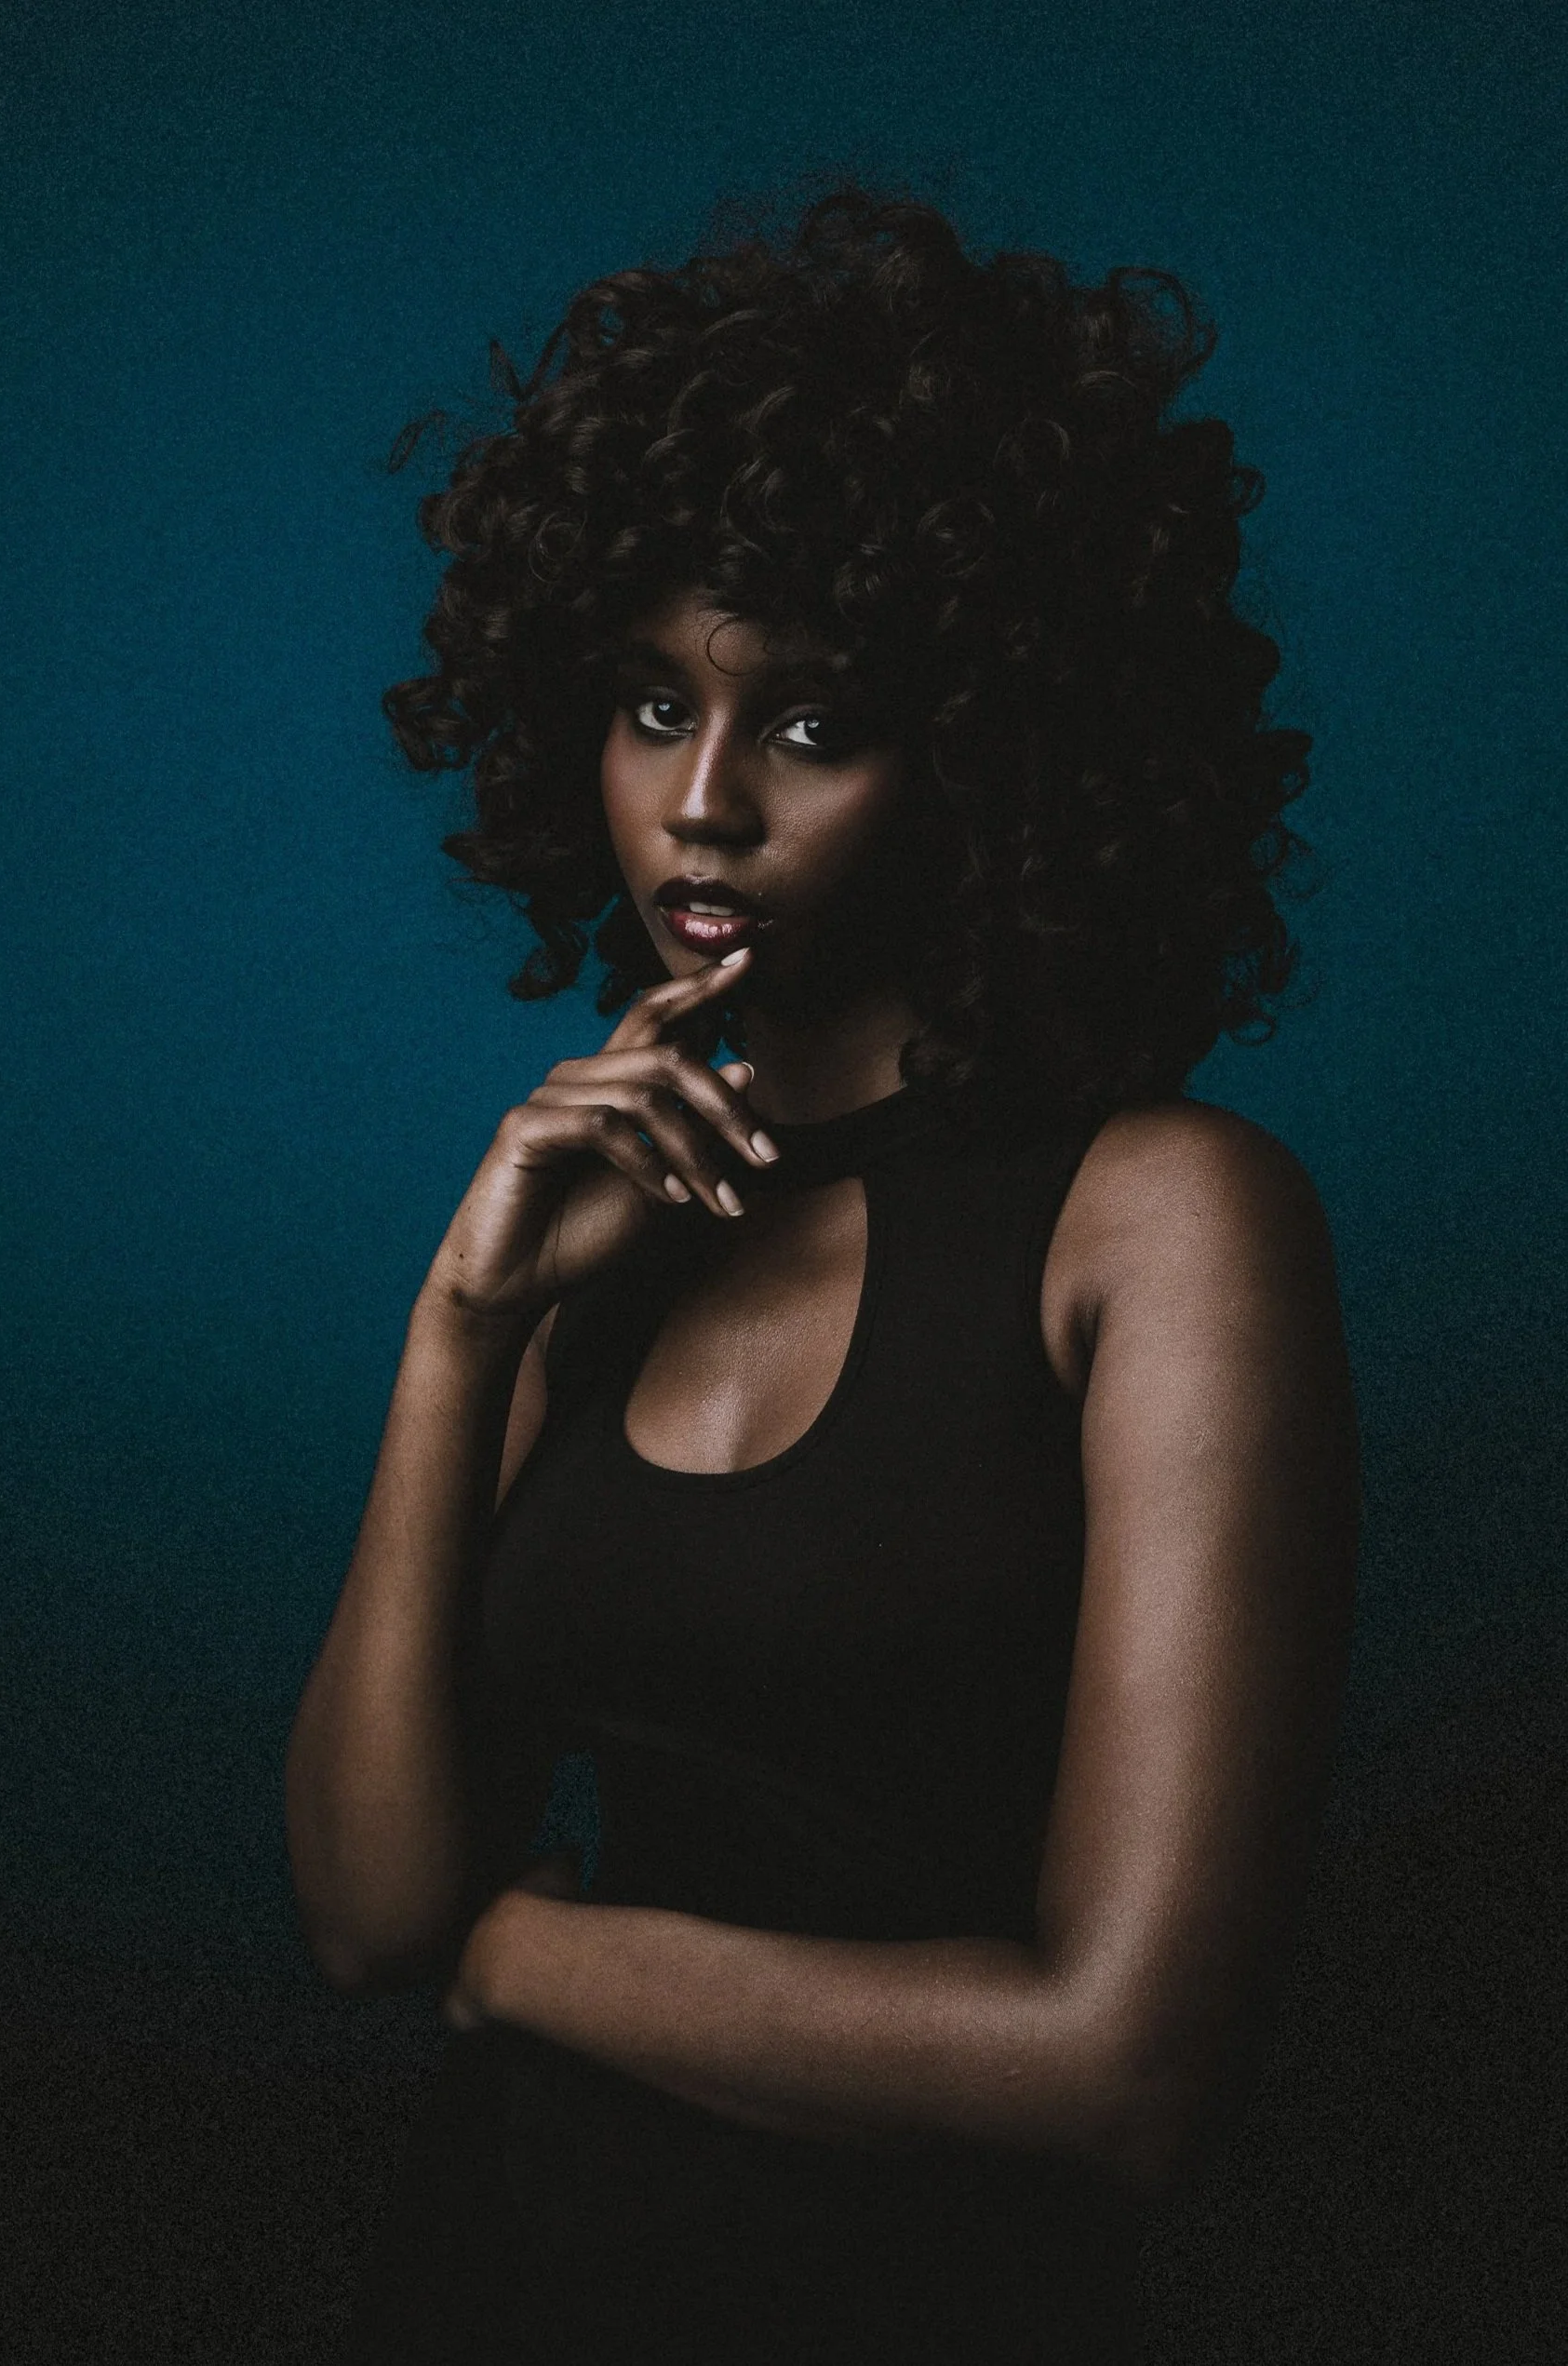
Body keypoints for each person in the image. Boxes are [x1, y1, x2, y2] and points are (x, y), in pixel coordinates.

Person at [285, 184, 1360, 2364]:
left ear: (980, 740)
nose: (697, 808)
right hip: (497, 2280)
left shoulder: (1160, 1219)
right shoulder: (589, 1230)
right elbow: (363, 1901)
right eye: (646, 702)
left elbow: (1117, 2066)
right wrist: (459, 1322)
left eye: (802, 722)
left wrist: (530, 1963)